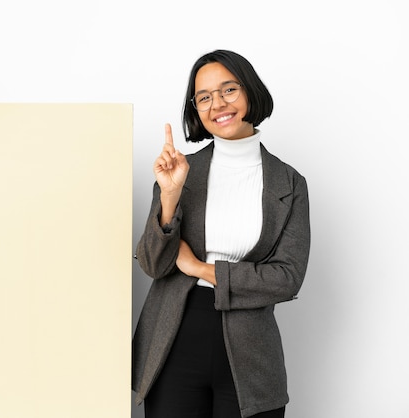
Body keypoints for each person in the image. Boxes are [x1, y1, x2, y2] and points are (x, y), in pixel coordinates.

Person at [132, 49, 311, 418]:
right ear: (195, 108)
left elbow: (286, 279)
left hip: (251, 349)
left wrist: (199, 268)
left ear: (250, 93)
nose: (218, 104)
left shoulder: (289, 183)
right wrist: (169, 196)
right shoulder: (180, 172)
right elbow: (153, 264)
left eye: (228, 90)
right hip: (174, 338)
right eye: (204, 97)